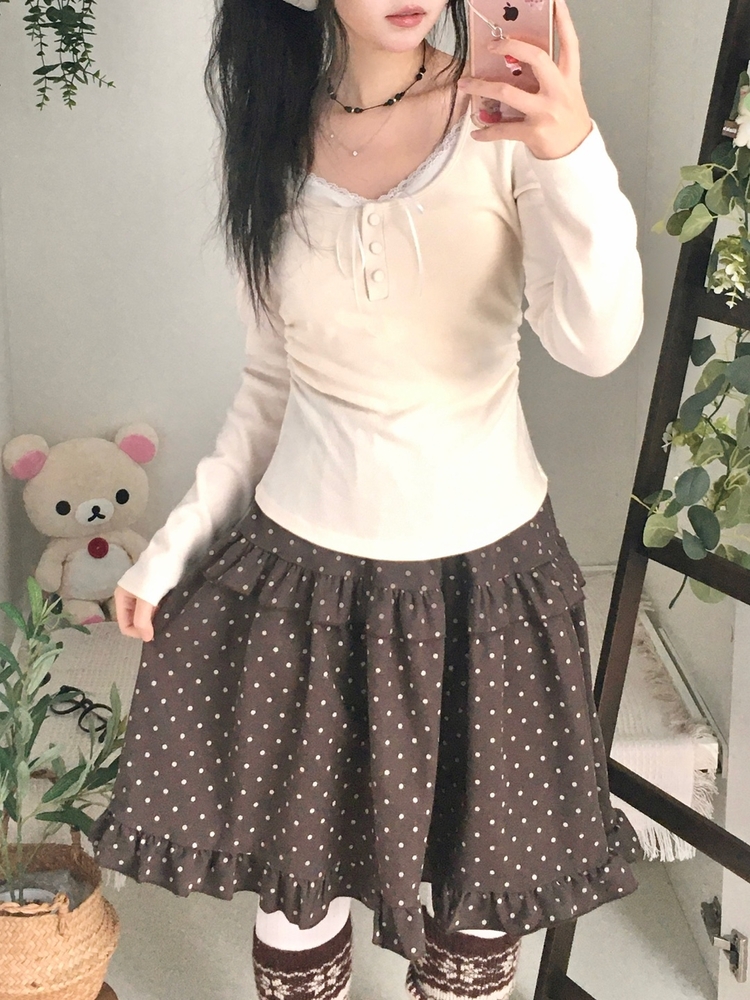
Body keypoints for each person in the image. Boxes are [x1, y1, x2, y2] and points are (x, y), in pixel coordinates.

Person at [89, 1, 645, 998]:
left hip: (486, 589)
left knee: (478, 906)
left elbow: (597, 343)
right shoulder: (269, 131)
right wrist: (172, 546)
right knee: (298, 898)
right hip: (308, 589)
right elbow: (270, 387)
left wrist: (571, 152)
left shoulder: (504, 120)